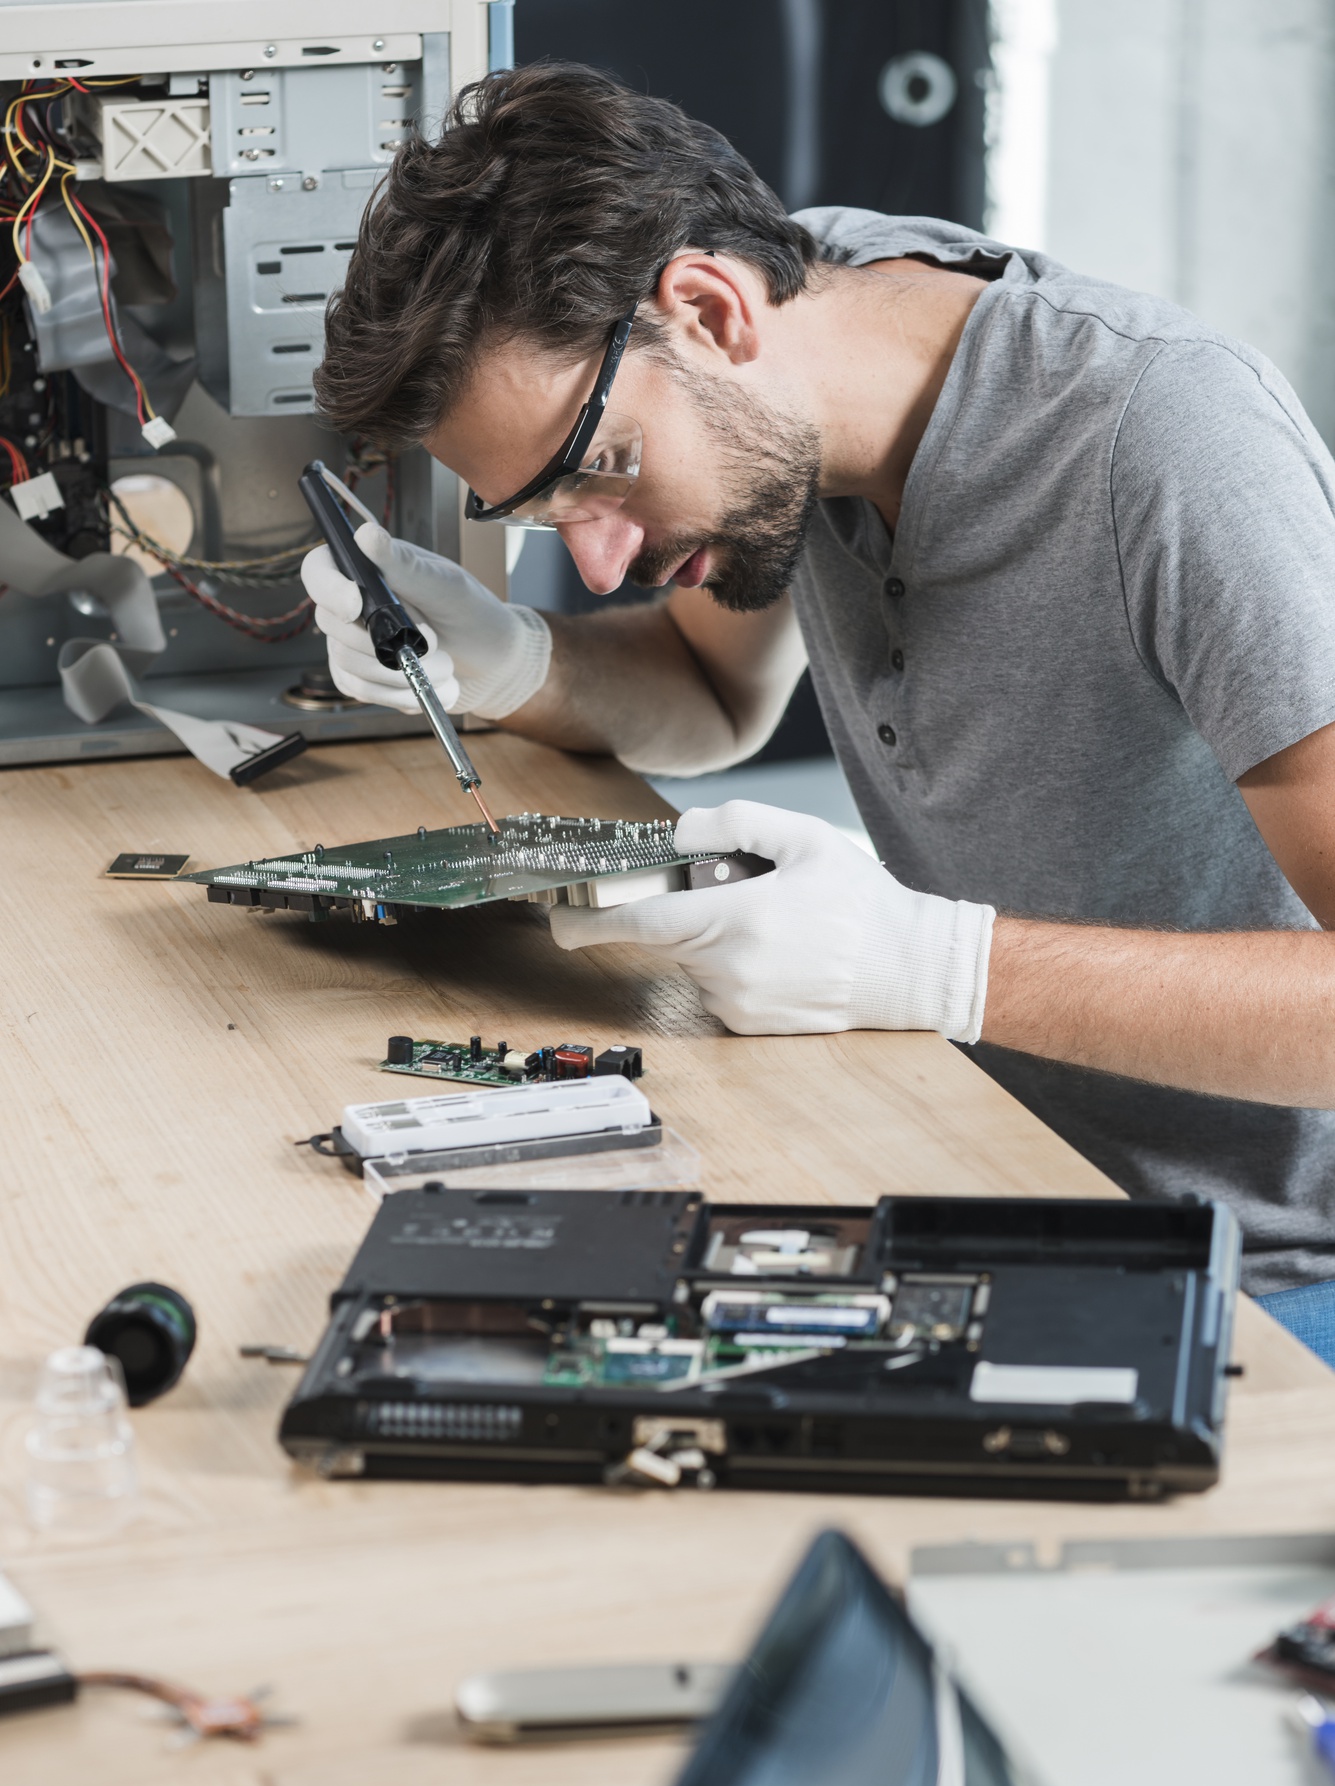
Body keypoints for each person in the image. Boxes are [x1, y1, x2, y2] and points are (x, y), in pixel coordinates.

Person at [303, 61, 1335, 1356]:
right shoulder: (817, 301)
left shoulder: (1171, 446)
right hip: (970, 1159)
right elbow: (709, 692)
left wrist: (933, 962)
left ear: (712, 309)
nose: (603, 559)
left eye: (598, 471)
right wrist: (514, 660)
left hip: (1268, 1269)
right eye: (550, 515)